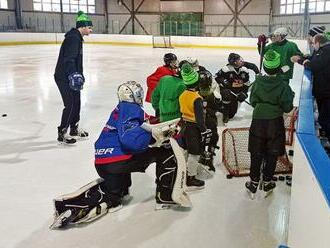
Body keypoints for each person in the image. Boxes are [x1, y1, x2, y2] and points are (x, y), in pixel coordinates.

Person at [51, 81, 191, 228]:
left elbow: (145, 122)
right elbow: (131, 141)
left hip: (103, 162)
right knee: (165, 151)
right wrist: (154, 137)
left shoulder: (121, 109)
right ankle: (166, 196)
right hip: (117, 162)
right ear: (134, 96)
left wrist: (160, 124)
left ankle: (115, 193)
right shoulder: (131, 109)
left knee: (114, 196)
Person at [245, 50, 294, 199]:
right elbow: (287, 107)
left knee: (256, 151)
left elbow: (253, 101)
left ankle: (253, 182)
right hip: (275, 122)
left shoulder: (258, 82)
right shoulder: (283, 85)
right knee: (272, 153)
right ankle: (267, 182)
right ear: (278, 67)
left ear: (265, 67)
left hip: (258, 121)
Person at [54, 11, 92, 144]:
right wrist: (72, 75)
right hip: (64, 77)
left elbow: (75, 60)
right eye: (89, 27)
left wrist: (79, 74)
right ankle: (62, 132)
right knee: (70, 104)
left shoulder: (77, 37)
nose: (91, 30)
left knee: (77, 102)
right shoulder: (73, 38)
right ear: (82, 27)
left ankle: (74, 128)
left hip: (72, 76)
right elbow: (69, 59)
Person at [293, 34, 330, 151]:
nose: (313, 45)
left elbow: (314, 65)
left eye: (313, 43)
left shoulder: (326, 51)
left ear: (318, 43)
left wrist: (300, 60)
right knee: (324, 117)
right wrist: (305, 59)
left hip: (326, 92)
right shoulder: (324, 51)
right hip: (324, 91)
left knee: (325, 118)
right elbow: (314, 59)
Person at [179, 63, 211, 189]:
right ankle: (190, 177)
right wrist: (204, 130)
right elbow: (199, 118)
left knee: (186, 150)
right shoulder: (197, 98)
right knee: (195, 153)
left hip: (184, 126)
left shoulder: (183, 95)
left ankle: (184, 170)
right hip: (193, 129)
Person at [215, 53, 259, 123]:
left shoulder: (244, 70)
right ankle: (224, 112)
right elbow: (216, 77)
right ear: (234, 62)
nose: (241, 61)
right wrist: (223, 81)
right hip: (229, 92)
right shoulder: (226, 69)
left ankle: (226, 111)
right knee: (226, 93)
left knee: (231, 115)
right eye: (238, 60)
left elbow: (246, 84)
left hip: (237, 93)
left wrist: (244, 93)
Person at [198, 69, 223, 173]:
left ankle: (201, 155)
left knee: (200, 138)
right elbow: (219, 107)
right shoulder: (215, 95)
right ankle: (210, 155)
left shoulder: (194, 94)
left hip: (198, 122)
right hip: (211, 120)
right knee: (213, 137)